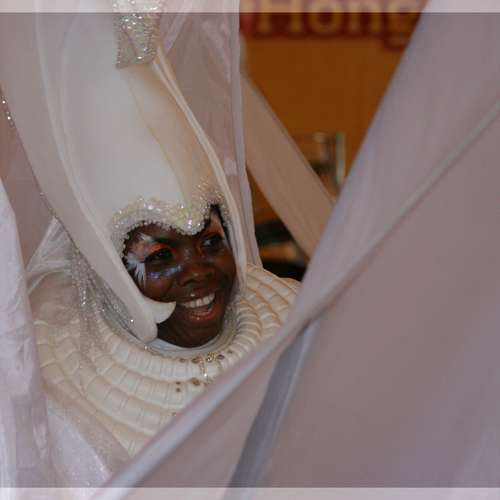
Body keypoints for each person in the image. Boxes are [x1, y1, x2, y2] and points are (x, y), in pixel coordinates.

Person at [0, 9, 298, 485]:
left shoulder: (294, 330)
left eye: (211, 242)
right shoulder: (55, 393)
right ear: (105, 262)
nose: (198, 271)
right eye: (160, 257)